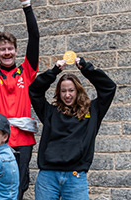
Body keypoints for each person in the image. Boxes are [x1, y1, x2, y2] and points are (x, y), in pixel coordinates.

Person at [0, 0, 40, 198]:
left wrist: (26, 5)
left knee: (19, 188)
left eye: (10, 48)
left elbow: (35, 37)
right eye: (2, 49)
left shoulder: (27, 71)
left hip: (22, 140)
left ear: (16, 51)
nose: (7, 52)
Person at [28, 57, 116, 199]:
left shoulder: (92, 111)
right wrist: (54, 71)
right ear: (58, 92)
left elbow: (109, 88)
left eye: (71, 90)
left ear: (78, 91)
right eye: (63, 91)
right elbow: (34, 91)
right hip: (48, 177)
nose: (67, 95)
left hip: (76, 177)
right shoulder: (50, 112)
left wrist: (86, 68)